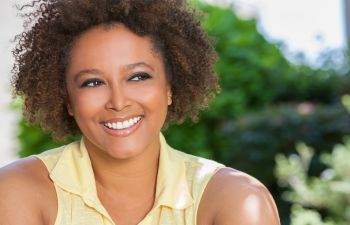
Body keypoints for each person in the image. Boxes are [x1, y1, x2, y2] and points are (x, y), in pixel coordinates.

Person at [0, 0, 280, 224]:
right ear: (68, 100)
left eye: (138, 77)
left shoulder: (236, 200)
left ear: (170, 87)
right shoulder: (16, 191)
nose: (119, 102)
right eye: (93, 82)